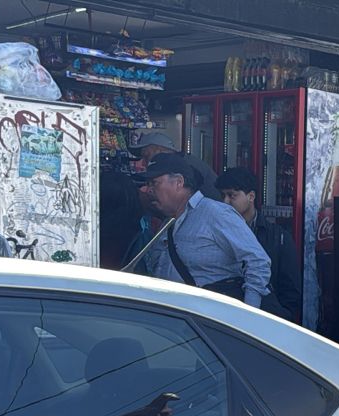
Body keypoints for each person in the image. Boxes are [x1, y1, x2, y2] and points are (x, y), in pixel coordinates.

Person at [138, 154, 270, 308]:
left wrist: (249, 313)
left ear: (179, 182)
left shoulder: (216, 214)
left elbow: (258, 261)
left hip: (212, 321)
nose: (148, 190)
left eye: (155, 183)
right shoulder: (168, 223)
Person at [217, 167, 302, 324]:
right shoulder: (217, 231)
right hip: (226, 316)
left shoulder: (278, 237)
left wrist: (282, 316)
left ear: (251, 196)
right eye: (223, 196)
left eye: (231, 195)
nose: (225, 202)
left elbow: (291, 290)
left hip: (268, 320)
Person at [129, 131, 220, 201]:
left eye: (146, 156)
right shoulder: (183, 162)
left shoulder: (187, 165)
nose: (144, 163)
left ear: (159, 150)